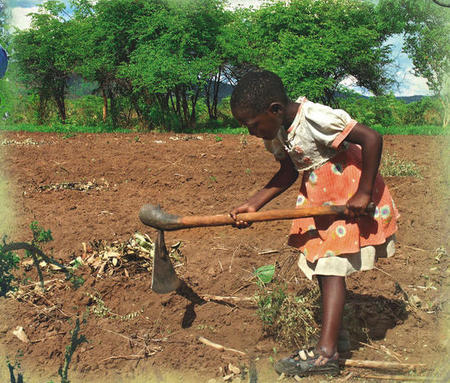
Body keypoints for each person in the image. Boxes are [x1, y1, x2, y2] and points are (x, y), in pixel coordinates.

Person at [229, 70, 398, 377]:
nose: (250, 132)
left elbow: (371, 138)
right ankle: (335, 335)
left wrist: (362, 192)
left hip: (348, 195)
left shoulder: (316, 118)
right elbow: (288, 172)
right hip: (320, 200)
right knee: (323, 266)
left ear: (275, 110)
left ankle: (325, 354)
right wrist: (254, 203)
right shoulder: (278, 131)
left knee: (329, 267)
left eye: (252, 125)